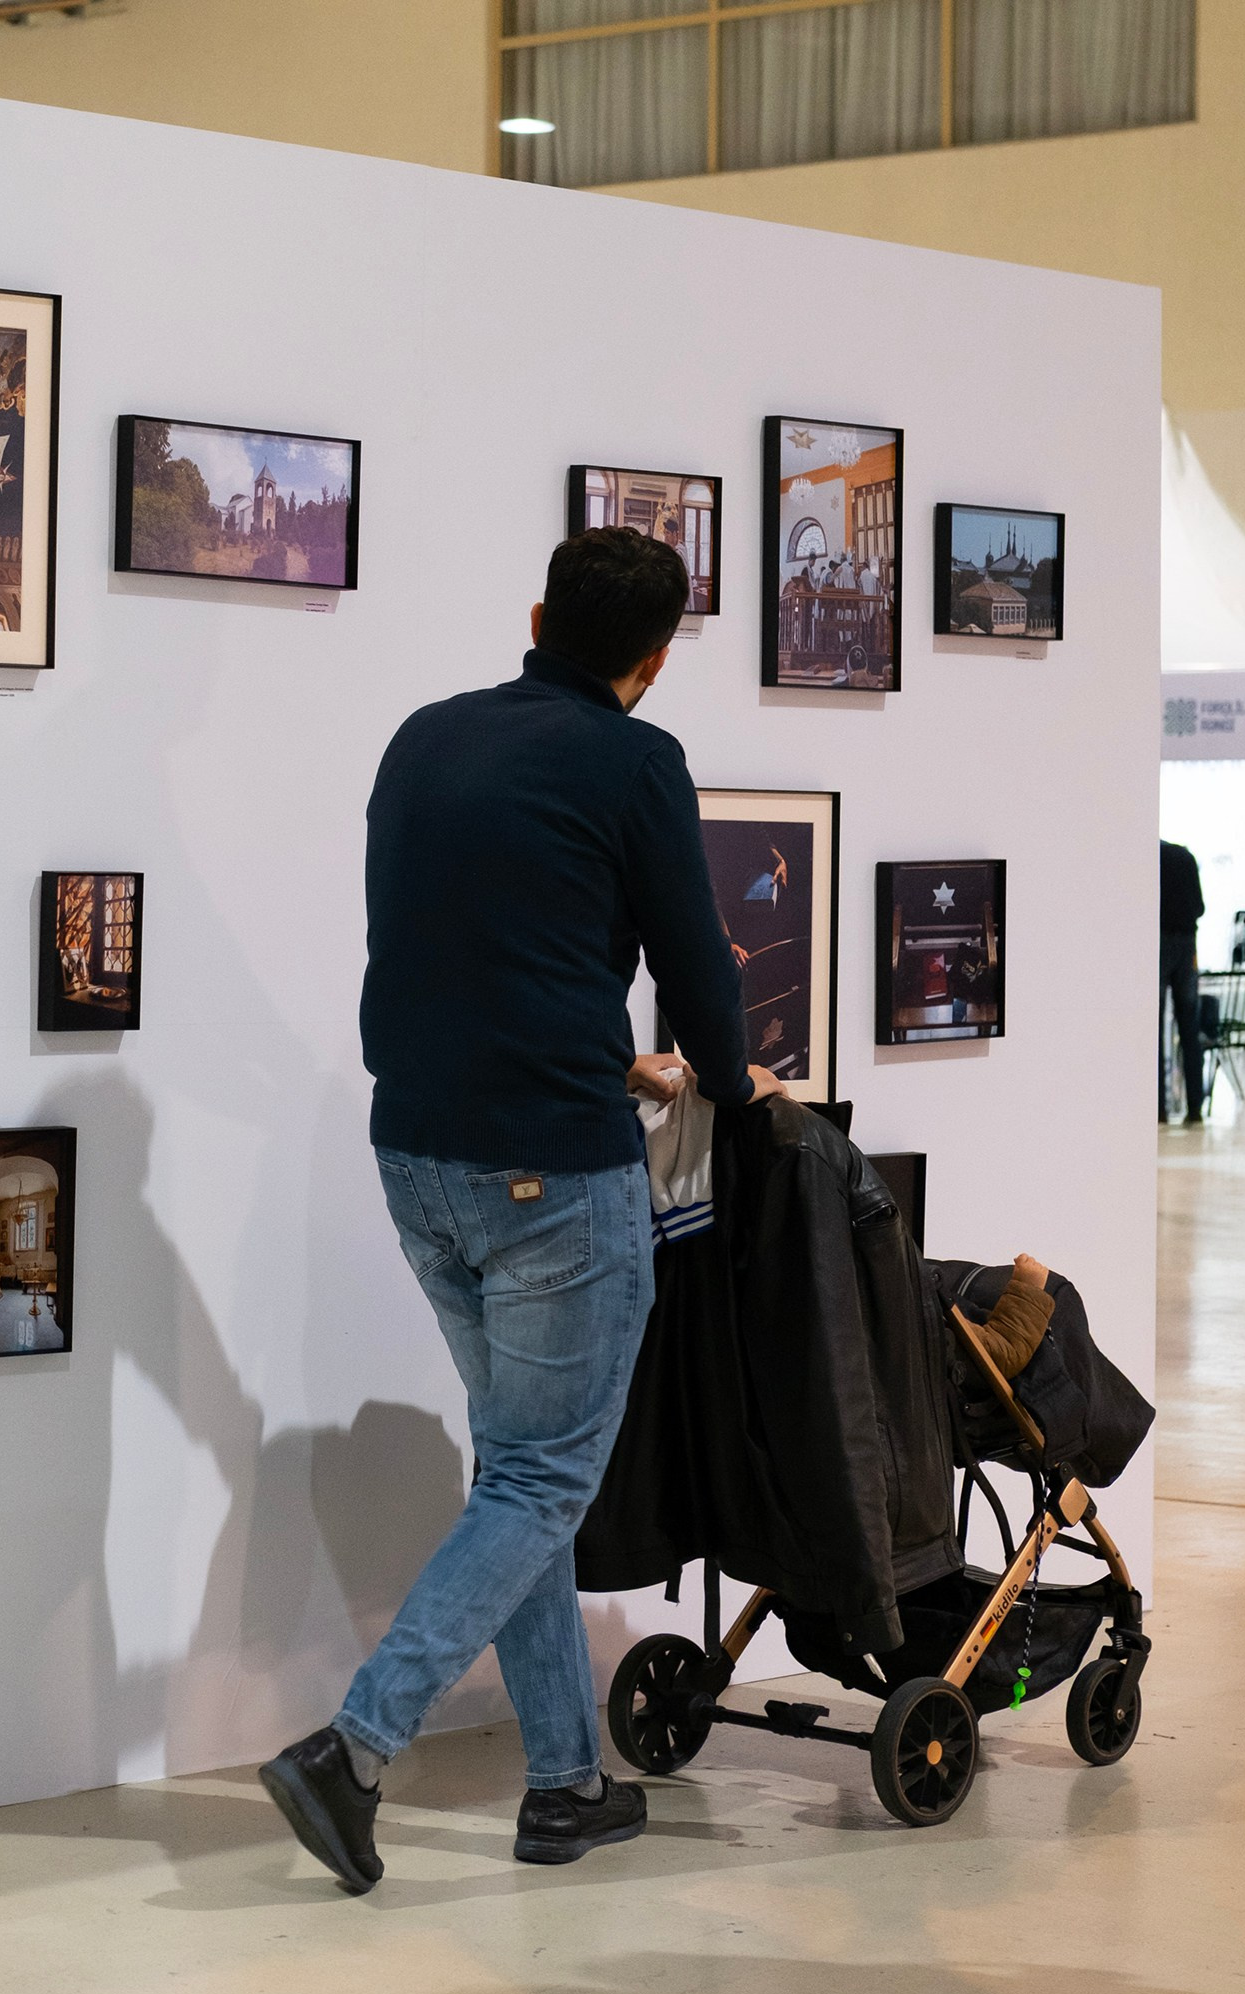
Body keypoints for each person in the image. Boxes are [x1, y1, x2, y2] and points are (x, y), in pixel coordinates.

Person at [258, 527, 785, 1893]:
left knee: (519, 1477)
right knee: (547, 1478)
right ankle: (355, 1748)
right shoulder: (635, 760)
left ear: (539, 614)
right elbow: (694, 967)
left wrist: (616, 1057)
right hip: (554, 1171)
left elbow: (467, 958)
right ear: (655, 662)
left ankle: (565, 1783)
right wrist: (730, 1084)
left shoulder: (425, 739)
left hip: (418, 1155)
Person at [1160, 839, 1205, 1124]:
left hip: (1159, 943)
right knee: (1190, 1028)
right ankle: (1195, 1108)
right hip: (1188, 944)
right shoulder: (1184, 856)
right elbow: (1199, 907)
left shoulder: (1149, 856)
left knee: (1153, 1029)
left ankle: (1158, 1109)